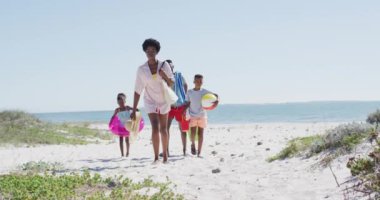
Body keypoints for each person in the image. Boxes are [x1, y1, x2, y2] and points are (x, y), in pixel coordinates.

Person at [130, 38, 174, 163]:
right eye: (148, 50)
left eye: (153, 50)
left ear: (156, 51)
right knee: (155, 127)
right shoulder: (141, 69)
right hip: (150, 100)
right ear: (145, 51)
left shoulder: (164, 65)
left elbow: (171, 83)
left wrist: (164, 75)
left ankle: (165, 155)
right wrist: (134, 109)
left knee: (163, 128)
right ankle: (156, 157)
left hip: (164, 99)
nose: (150, 52)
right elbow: (137, 90)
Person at [184, 74, 218, 157]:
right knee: (192, 132)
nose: (199, 83)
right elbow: (187, 103)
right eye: (197, 81)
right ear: (194, 82)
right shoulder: (189, 92)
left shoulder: (205, 92)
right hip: (192, 115)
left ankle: (199, 152)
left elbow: (215, 96)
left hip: (202, 115)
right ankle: (192, 144)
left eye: (200, 81)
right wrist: (184, 111)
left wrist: (215, 102)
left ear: (202, 82)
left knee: (201, 133)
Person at [166, 59, 189, 156]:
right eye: (167, 66)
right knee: (165, 129)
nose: (169, 67)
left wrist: (184, 97)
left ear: (172, 66)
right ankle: (166, 151)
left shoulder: (179, 76)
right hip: (169, 106)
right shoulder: (163, 77)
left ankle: (184, 151)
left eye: (170, 66)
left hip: (180, 105)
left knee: (183, 129)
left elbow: (185, 85)